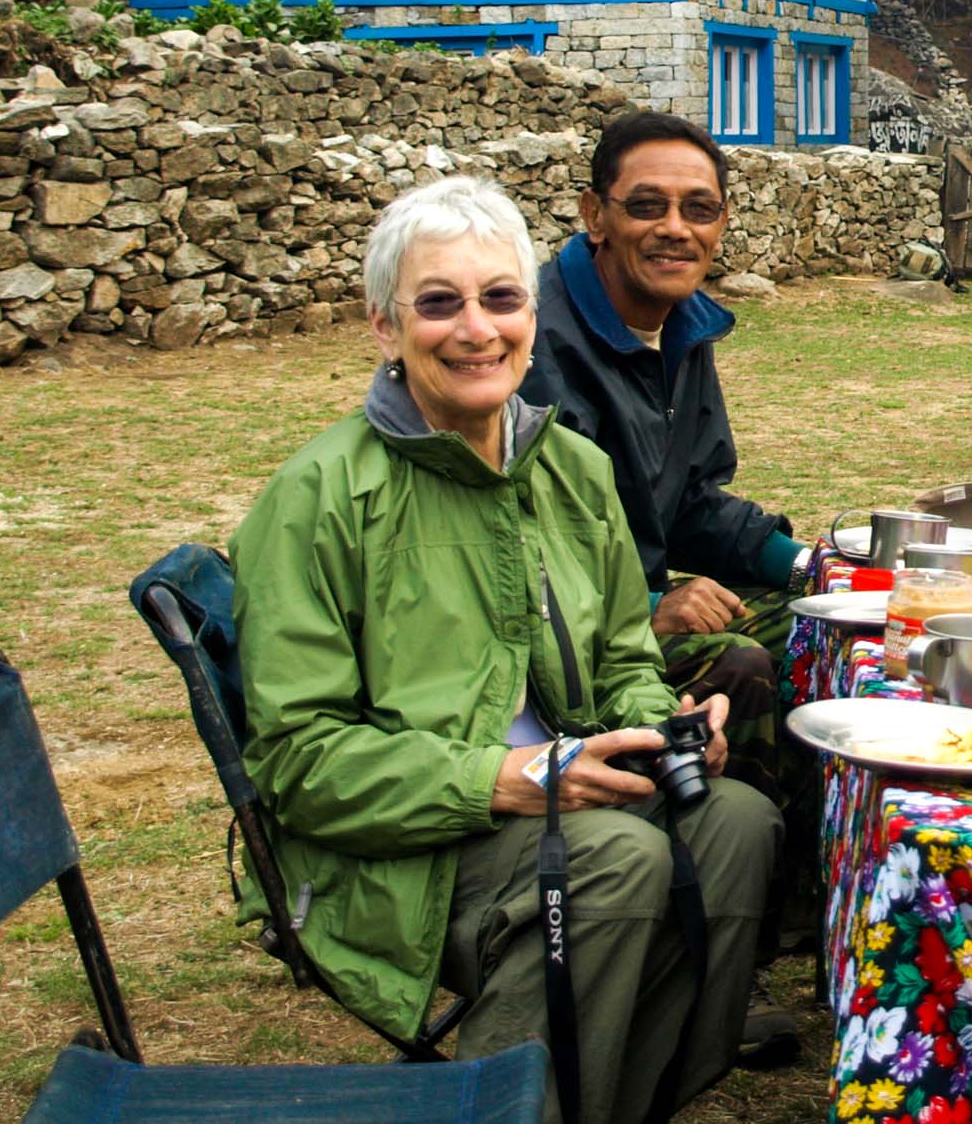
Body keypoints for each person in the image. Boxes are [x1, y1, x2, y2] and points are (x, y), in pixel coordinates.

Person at [231, 176, 781, 1123]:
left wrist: (664, 722)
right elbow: (297, 762)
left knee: (736, 826)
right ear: (383, 327)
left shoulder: (571, 468)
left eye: (501, 298)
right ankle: (513, 1106)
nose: (476, 330)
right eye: (438, 303)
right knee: (614, 860)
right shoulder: (317, 500)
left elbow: (619, 656)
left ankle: (623, 1098)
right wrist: (511, 778)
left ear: (533, 314)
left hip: (568, 800)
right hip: (402, 844)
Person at [520, 111, 809, 798]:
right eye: (647, 206)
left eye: (698, 209)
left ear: (721, 222)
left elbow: (688, 503)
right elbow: (524, 553)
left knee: (821, 624)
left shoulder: (682, 324)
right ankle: (725, 864)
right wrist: (648, 604)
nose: (675, 228)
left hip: (628, 603)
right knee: (739, 661)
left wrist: (811, 564)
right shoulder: (530, 345)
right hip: (562, 635)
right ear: (595, 214)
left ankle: (820, 860)